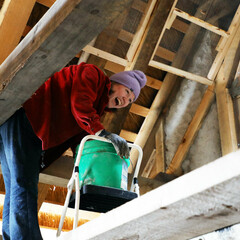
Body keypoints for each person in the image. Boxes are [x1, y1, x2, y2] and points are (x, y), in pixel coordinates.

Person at [0, 62, 146, 240]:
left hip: (22, 130)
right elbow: (80, 104)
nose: (126, 101)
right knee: (23, 187)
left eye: (130, 101)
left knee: (16, 189)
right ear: (117, 83)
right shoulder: (92, 74)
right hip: (27, 121)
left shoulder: (95, 113)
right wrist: (104, 133)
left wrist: (94, 167)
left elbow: (81, 143)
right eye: (128, 92)